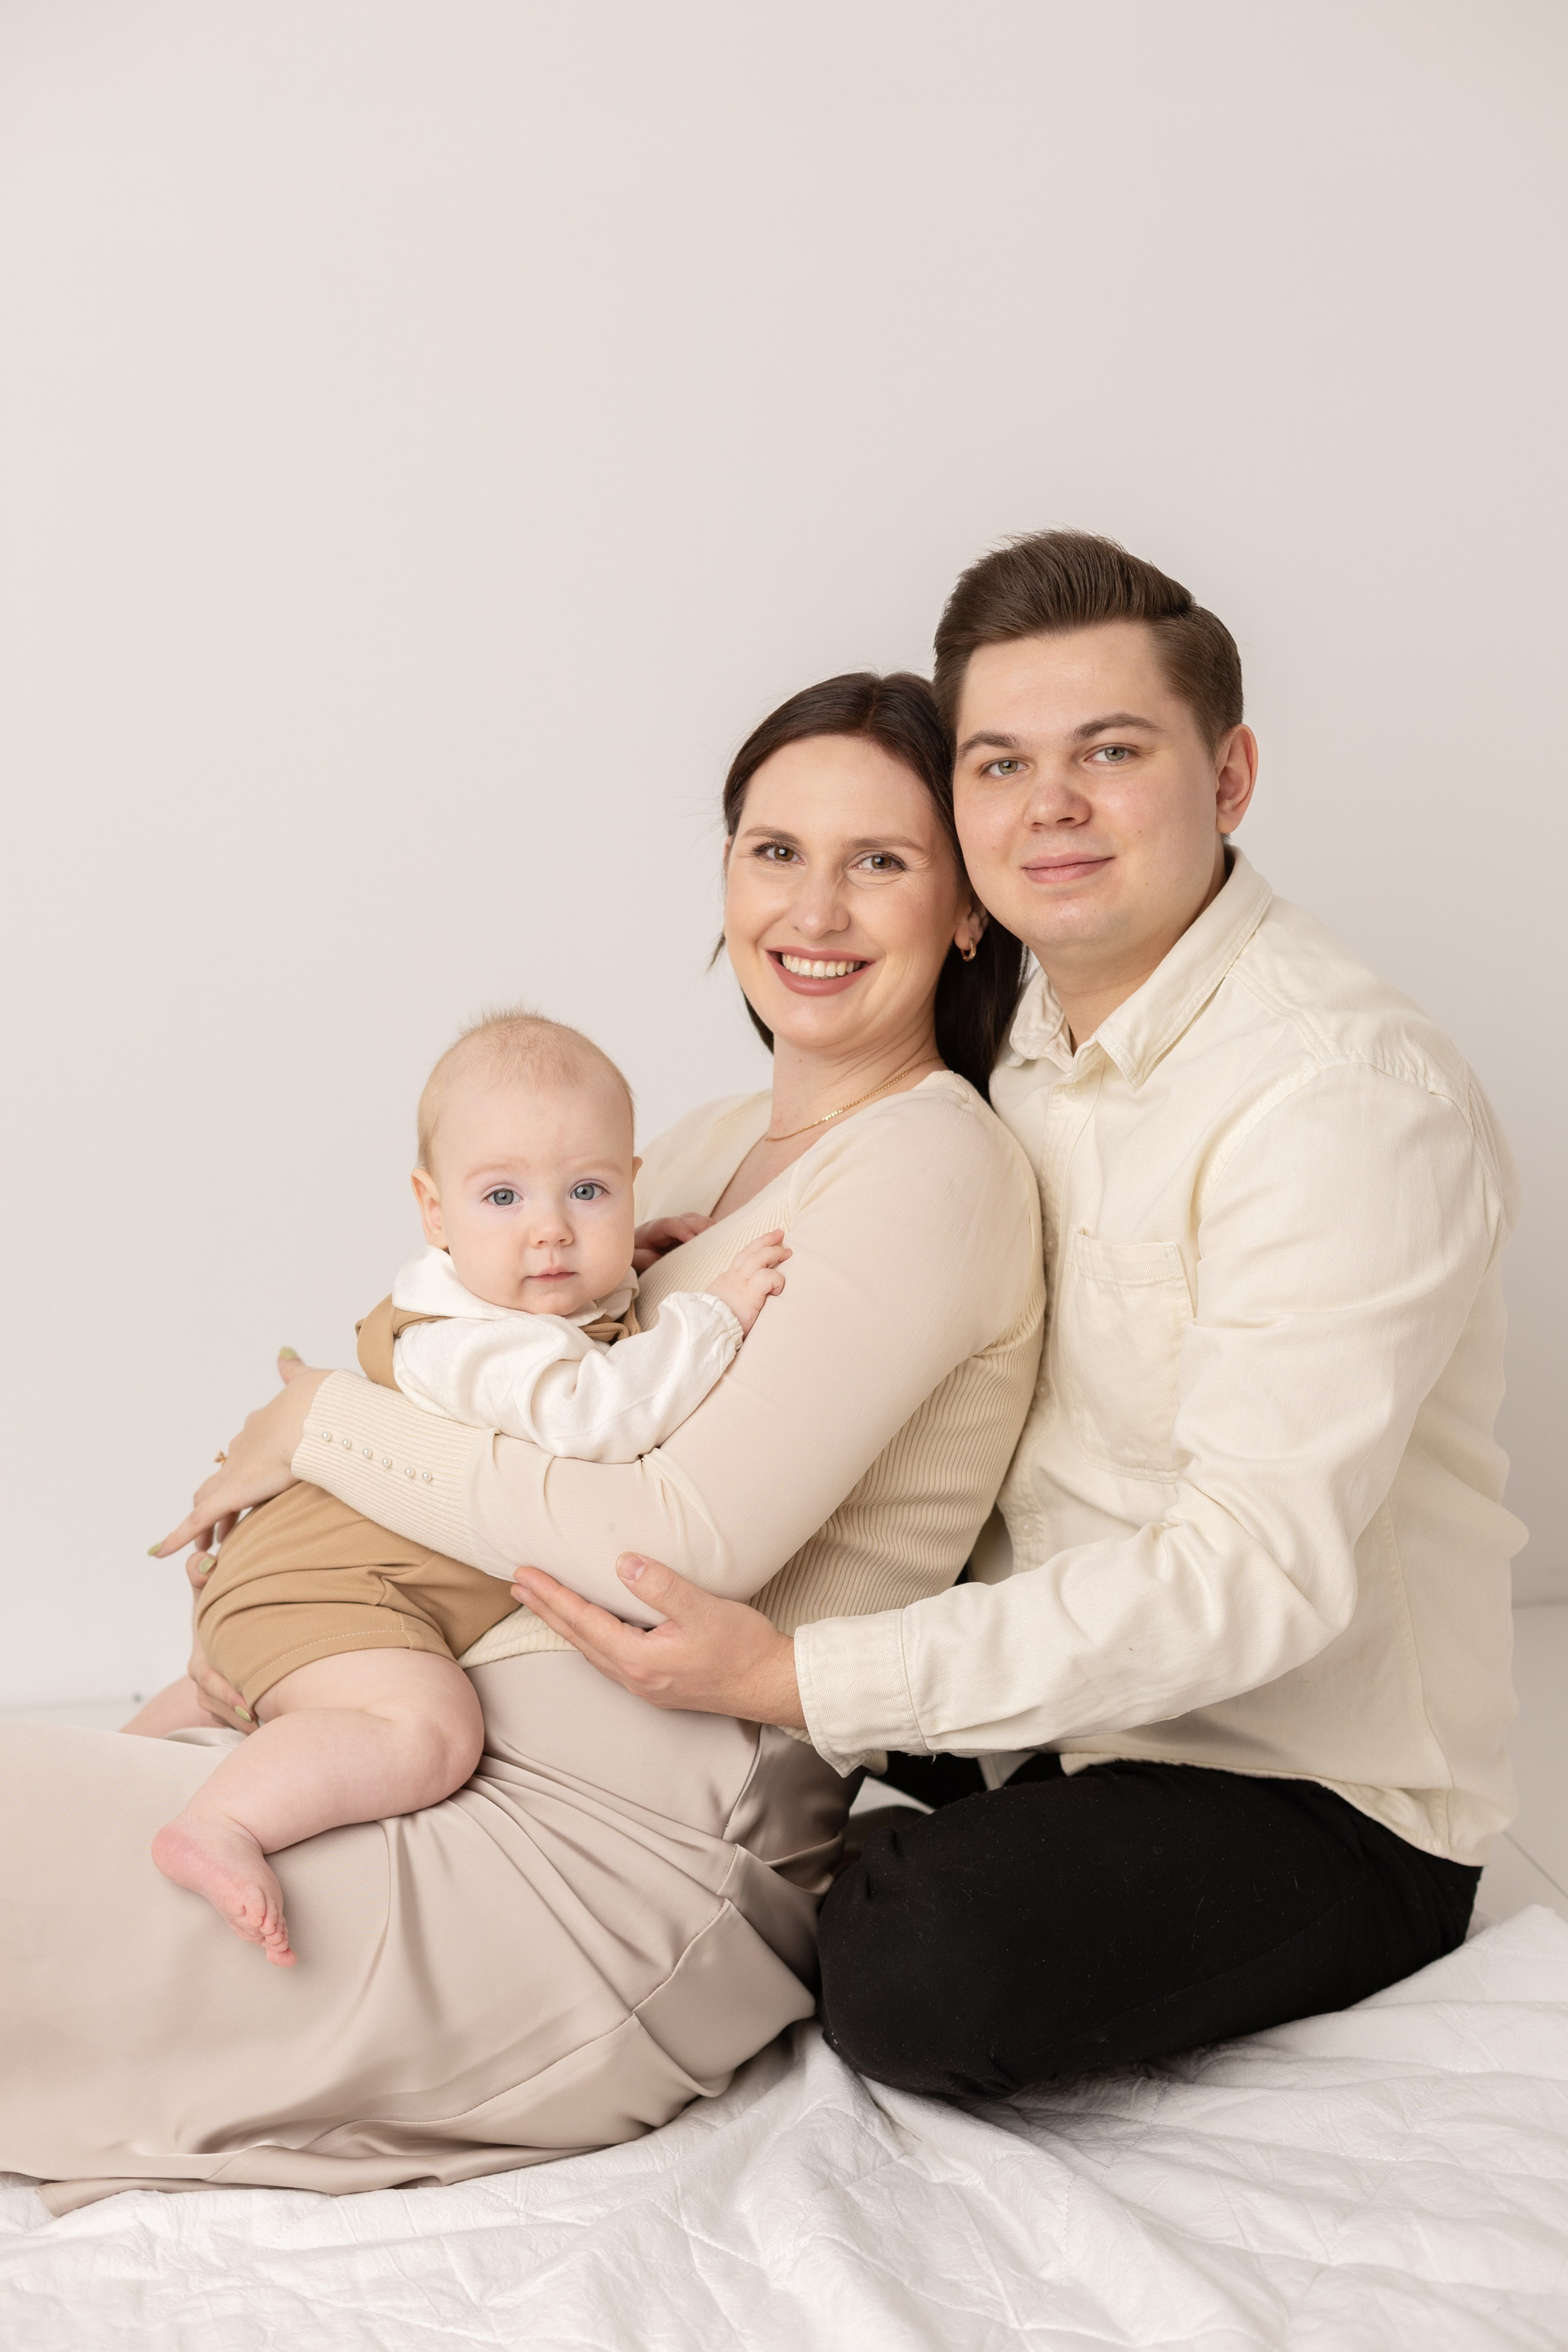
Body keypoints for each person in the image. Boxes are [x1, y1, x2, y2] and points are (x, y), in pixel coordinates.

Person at [0, 670, 1044, 2206]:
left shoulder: (935, 1166)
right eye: (775, 851)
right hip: (433, 1741)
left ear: (964, 908)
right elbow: (491, 1368)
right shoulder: (686, 1149)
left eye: (879, 860)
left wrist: (328, 1424)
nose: (814, 907)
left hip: (605, 1851)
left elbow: (674, 1544)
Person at [507, 532, 1524, 2099]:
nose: (1048, 805)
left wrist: (796, 1682)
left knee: (923, 1967)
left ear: (1230, 776)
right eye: (1000, 763)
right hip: (1033, 1712)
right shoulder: (1010, 1052)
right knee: (566, 1710)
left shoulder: (1339, 1099)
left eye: (1109, 752)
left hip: (1297, 1776)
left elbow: (1250, 1581)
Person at [148, 1008, 789, 1967]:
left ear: (631, 1186)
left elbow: (578, 1312)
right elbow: (595, 1412)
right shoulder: (470, 1346)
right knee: (430, 1730)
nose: (551, 1231)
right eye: (502, 1197)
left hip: (305, 1579)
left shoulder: (509, 1296)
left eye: (588, 1191)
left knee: (242, 1687)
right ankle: (220, 1822)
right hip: (333, 1591)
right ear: (434, 1210)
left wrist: (629, 1253)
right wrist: (717, 1313)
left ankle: (132, 1745)